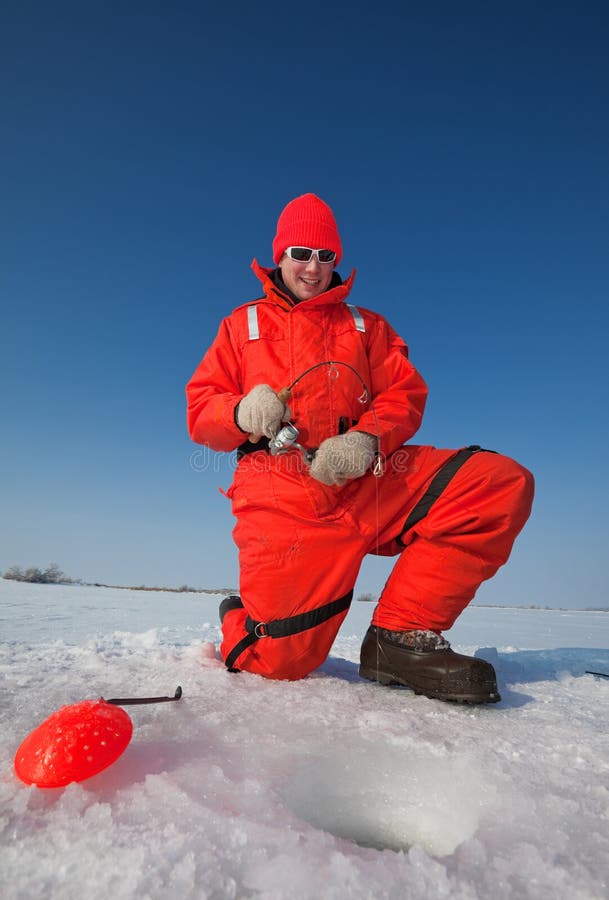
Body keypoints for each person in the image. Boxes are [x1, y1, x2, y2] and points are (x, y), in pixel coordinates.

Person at [186, 193, 534, 703]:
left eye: (325, 256)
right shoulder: (241, 326)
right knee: (280, 663)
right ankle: (244, 616)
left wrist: (367, 438)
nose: (313, 267)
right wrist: (238, 413)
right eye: (301, 253)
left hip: (370, 478)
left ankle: (399, 639)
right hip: (282, 495)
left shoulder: (366, 325)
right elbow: (200, 413)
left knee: (496, 485)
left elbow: (405, 395)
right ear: (279, 255)